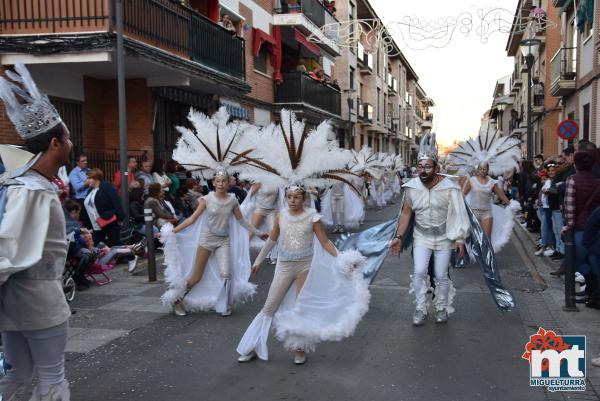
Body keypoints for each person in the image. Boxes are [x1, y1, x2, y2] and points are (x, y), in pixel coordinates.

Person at [236, 109, 369, 365]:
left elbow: (326, 242)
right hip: (285, 265)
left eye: (297, 197)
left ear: (304, 197)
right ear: (285, 197)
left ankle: (299, 348)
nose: (293, 200)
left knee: (300, 305)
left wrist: (341, 258)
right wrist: (259, 260)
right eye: (289, 197)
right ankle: (252, 344)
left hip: (306, 264)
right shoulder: (281, 216)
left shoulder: (312, 217)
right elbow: (272, 240)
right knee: (269, 305)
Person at [0, 63, 72, 401]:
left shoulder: (23, 185)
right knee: (51, 379)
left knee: (18, 375)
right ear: (56, 143)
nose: (72, 143)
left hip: (15, 304)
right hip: (39, 303)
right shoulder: (33, 191)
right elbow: (9, 248)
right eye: (69, 137)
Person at [160, 107, 269, 317]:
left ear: (228, 183)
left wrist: (257, 232)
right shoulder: (206, 199)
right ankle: (178, 300)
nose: (220, 184)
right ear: (213, 182)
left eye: (224, 181)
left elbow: (241, 221)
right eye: (217, 181)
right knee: (196, 276)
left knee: (227, 273)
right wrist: (174, 231)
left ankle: (223, 305)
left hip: (223, 241)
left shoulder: (232, 200)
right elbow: (192, 219)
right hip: (206, 240)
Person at [390, 133, 470, 325]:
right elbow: (406, 214)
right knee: (419, 272)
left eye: (427, 166)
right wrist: (399, 237)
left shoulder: (450, 188)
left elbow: (459, 214)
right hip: (421, 238)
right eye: (420, 167)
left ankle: (441, 307)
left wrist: (460, 239)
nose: (423, 170)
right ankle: (420, 308)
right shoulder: (411, 187)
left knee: (441, 274)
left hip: (444, 239)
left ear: (436, 167)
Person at [559, 152, 600, 277]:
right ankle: (594, 291)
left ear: (576, 165)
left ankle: (589, 285)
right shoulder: (597, 182)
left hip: (580, 228)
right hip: (596, 229)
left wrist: (568, 226)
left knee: (577, 261)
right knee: (594, 259)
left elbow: (569, 206)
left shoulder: (572, 180)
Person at [461, 161, 511, 239]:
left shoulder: (491, 182)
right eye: (480, 169)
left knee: (487, 239)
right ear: (477, 170)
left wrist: (510, 204)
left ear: (488, 170)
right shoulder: (472, 180)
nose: (482, 171)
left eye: (484, 169)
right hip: (474, 212)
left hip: (487, 212)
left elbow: (501, 194)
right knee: (473, 238)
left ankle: (487, 251)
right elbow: (463, 194)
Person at [84, 168, 125, 246]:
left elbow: (116, 201)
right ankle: (130, 253)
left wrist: (120, 218)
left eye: (89, 178)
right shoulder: (90, 190)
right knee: (96, 244)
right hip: (96, 224)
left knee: (114, 243)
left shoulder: (106, 186)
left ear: (95, 178)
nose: (87, 181)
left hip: (109, 220)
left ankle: (131, 255)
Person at [68, 153, 92, 227]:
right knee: (87, 221)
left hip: (92, 198)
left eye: (86, 160)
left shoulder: (89, 170)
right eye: (83, 161)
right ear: (77, 162)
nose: (86, 162)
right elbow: (77, 187)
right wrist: (88, 182)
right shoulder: (74, 173)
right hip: (82, 200)